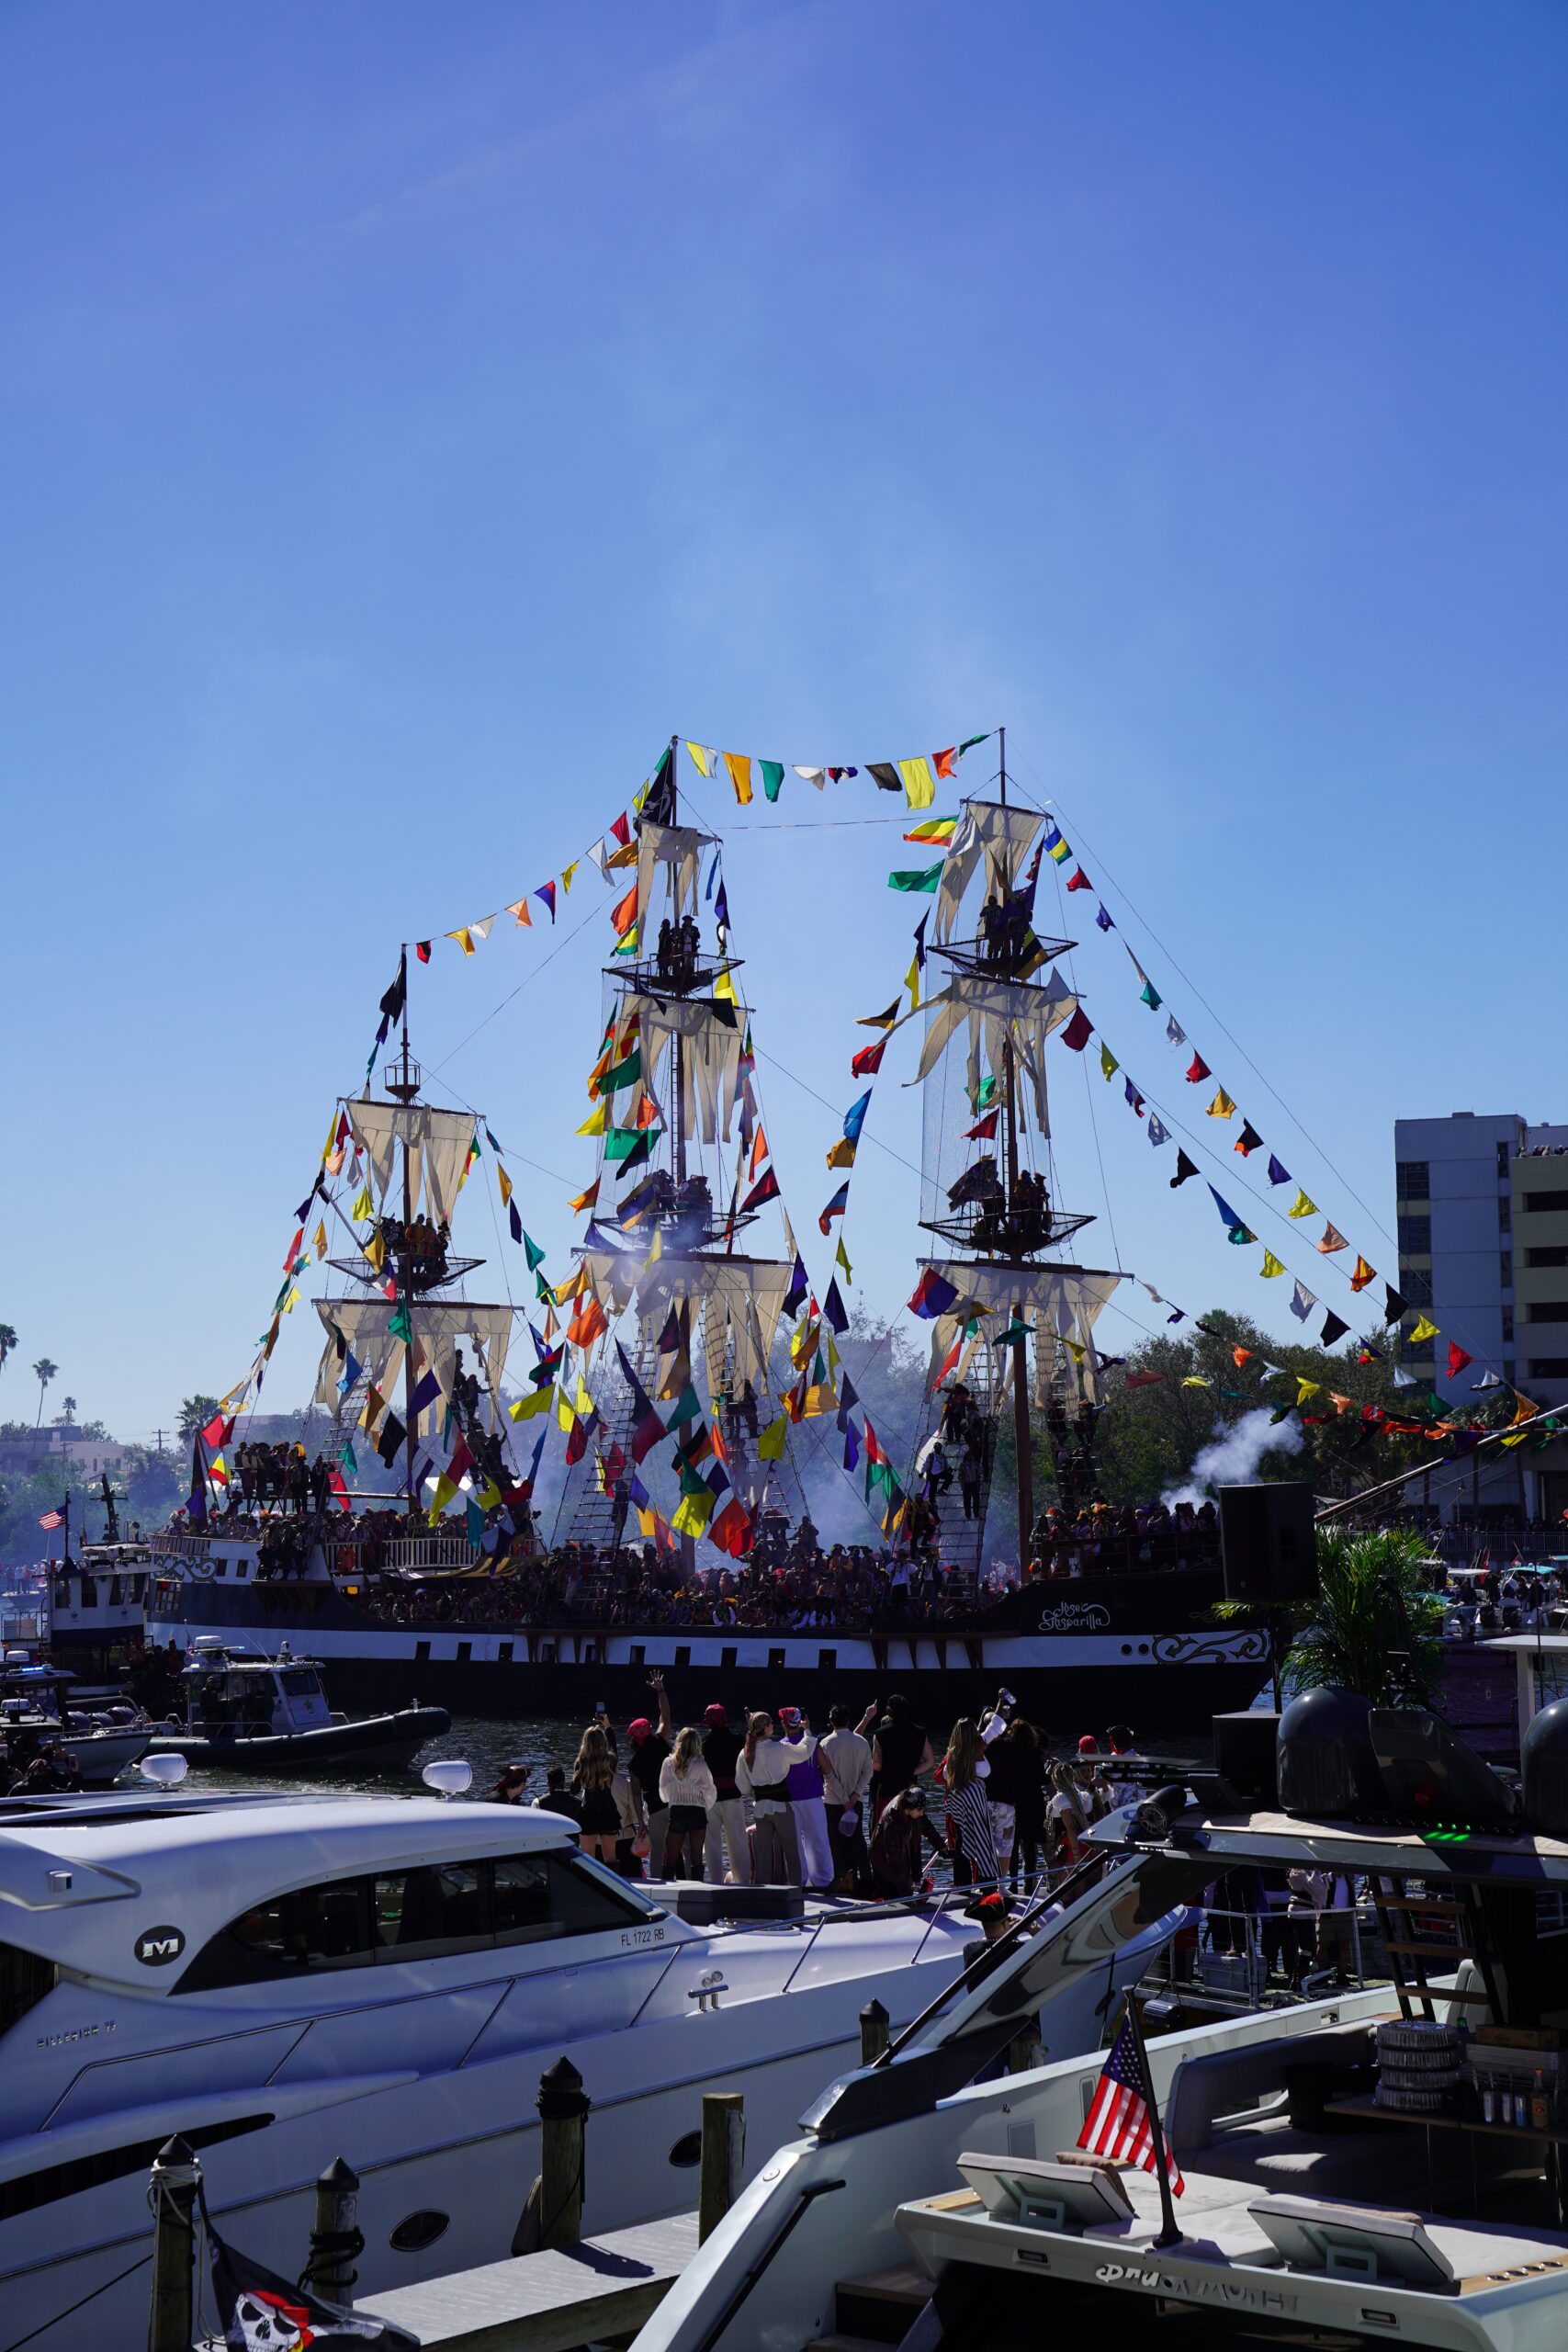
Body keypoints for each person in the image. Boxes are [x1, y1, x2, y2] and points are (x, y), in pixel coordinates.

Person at [737, 1710, 811, 1884]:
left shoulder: (745, 1753)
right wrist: (807, 1731)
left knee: (763, 1855)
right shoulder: (779, 1748)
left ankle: (763, 1892)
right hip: (781, 1808)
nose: (773, 1724)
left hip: (761, 1809)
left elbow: (743, 1786)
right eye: (770, 1722)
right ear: (765, 1728)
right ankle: (795, 1890)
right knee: (791, 1852)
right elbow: (804, 1751)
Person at [817, 1701, 876, 1894]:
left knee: (835, 1841)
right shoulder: (861, 1742)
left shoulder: (825, 1744)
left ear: (831, 1721)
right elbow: (868, 1772)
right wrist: (855, 1795)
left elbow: (828, 1776)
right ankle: (866, 1879)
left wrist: (843, 1798)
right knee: (858, 1841)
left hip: (833, 1801)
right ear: (849, 1720)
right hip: (855, 1801)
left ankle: (841, 1879)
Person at [940, 1717, 1003, 1888]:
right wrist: (1001, 1703)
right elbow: (995, 1727)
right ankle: (988, 1886)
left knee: (961, 1839)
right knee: (984, 1842)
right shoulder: (978, 1745)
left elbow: (947, 1777)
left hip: (958, 1796)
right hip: (974, 1796)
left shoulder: (952, 1753)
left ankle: (963, 1886)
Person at [626, 1670, 674, 1876]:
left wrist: (641, 1822)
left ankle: (657, 1884)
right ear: (649, 1729)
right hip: (675, 1799)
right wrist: (661, 1690)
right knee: (681, 1846)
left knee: (657, 1850)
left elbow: (636, 1796)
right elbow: (665, 1715)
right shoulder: (661, 1740)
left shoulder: (633, 1764)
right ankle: (684, 1879)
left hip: (655, 1806)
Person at [778, 1706, 832, 1888]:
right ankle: (823, 1881)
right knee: (818, 1840)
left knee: (794, 1844)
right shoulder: (812, 1742)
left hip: (790, 1801)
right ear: (801, 1723)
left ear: (783, 1724)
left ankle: (799, 1881)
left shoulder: (780, 1747)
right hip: (813, 1799)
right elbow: (827, 1769)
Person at [700, 1702, 751, 1884]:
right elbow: (750, 1749)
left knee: (712, 1844)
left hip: (710, 1799)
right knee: (737, 1842)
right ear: (725, 1720)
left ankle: (715, 1882)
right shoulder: (737, 1741)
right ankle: (742, 1881)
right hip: (732, 1796)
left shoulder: (704, 1744)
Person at [660, 1726, 717, 1880]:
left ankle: (667, 1890)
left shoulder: (668, 1763)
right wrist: (705, 1803)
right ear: (696, 1744)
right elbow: (710, 1790)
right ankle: (697, 1890)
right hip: (697, 1812)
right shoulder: (700, 1764)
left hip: (677, 1811)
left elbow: (663, 1791)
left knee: (671, 1857)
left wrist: (674, 1796)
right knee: (696, 1857)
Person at [869, 1785, 942, 1898]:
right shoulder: (893, 1819)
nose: (922, 1813)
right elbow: (895, 1859)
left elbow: (926, 1826)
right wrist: (907, 1894)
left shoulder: (911, 1810)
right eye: (919, 1810)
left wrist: (941, 1847)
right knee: (890, 1894)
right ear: (911, 1807)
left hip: (895, 1859)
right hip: (883, 1861)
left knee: (901, 1888)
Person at [870, 1693, 932, 1827]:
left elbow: (876, 1765)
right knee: (910, 1830)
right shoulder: (920, 1732)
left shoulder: (879, 1734)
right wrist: (911, 1770)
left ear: (888, 1711)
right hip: (909, 1787)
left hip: (887, 1788)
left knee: (886, 1828)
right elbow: (930, 1761)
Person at [571, 1724, 622, 1866]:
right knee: (611, 1859)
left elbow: (574, 1790)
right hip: (608, 1812)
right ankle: (612, 1887)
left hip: (588, 1812)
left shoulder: (581, 1762)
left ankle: (590, 1887)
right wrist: (608, 1727)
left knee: (589, 1860)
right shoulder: (610, 1760)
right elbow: (614, 1749)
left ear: (585, 1742)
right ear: (603, 1742)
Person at [1046, 1759, 1089, 1869]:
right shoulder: (1078, 1794)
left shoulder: (1061, 1798)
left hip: (1068, 1847)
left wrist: (1076, 1854)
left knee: (1067, 1882)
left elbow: (1070, 1827)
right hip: (1081, 1840)